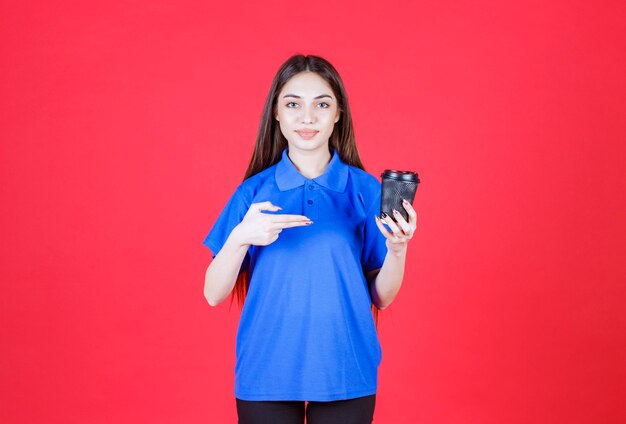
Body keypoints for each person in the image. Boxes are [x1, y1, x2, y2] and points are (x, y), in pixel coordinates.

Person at [202, 54, 417, 424]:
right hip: (265, 367)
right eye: (293, 104)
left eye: (321, 104)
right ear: (276, 114)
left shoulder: (365, 190)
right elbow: (213, 293)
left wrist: (398, 249)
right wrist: (239, 239)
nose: (307, 117)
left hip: (346, 367)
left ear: (338, 114)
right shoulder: (252, 193)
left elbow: (382, 297)